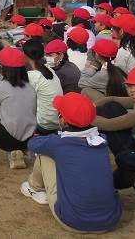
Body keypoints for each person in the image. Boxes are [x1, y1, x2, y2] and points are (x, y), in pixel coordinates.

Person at [21, 93, 122, 234]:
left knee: (45, 154)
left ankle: (33, 187)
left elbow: (32, 144)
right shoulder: (102, 140)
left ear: (63, 120)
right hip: (110, 220)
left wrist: (45, 137)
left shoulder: (57, 143)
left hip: (73, 221)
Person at [92, 65, 135, 160]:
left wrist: (85, 117)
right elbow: (112, 99)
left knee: (108, 112)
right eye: (130, 86)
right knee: (111, 106)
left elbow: (110, 125)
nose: (132, 90)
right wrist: (91, 107)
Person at [22, 39, 63, 134]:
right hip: (58, 120)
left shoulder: (32, 76)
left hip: (45, 124)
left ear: (25, 55)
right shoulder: (49, 69)